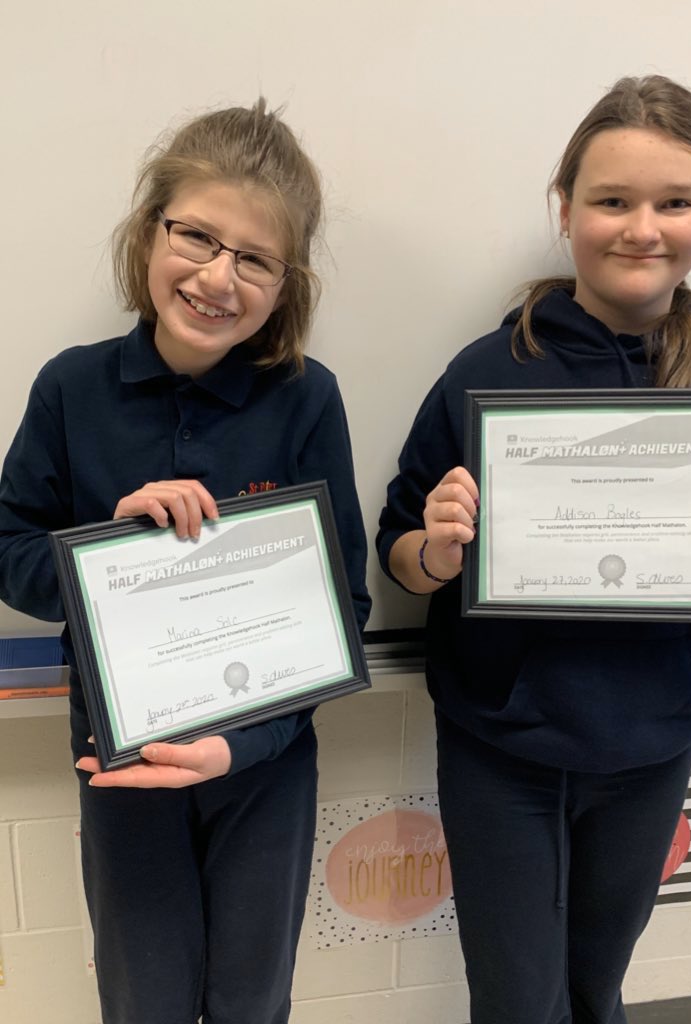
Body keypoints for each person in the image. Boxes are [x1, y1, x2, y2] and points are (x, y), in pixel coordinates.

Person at [377, 75, 691, 1024]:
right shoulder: (485, 374)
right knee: (517, 1003)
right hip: (499, 747)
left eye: (674, 203)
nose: (642, 229)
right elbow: (397, 552)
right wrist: (434, 551)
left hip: (651, 747)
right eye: (610, 201)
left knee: (596, 991)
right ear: (564, 209)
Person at [0, 99, 370, 1024]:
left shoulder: (306, 399)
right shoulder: (71, 388)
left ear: (285, 285)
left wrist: (242, 745)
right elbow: (9, 551)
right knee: (143, 1001)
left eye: (254, 259)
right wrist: (99, 553)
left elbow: (344, 604)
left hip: (265, 766)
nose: (216, 277)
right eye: (196, 236)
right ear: (148, 232)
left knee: (253, 1001)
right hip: (123, 768)